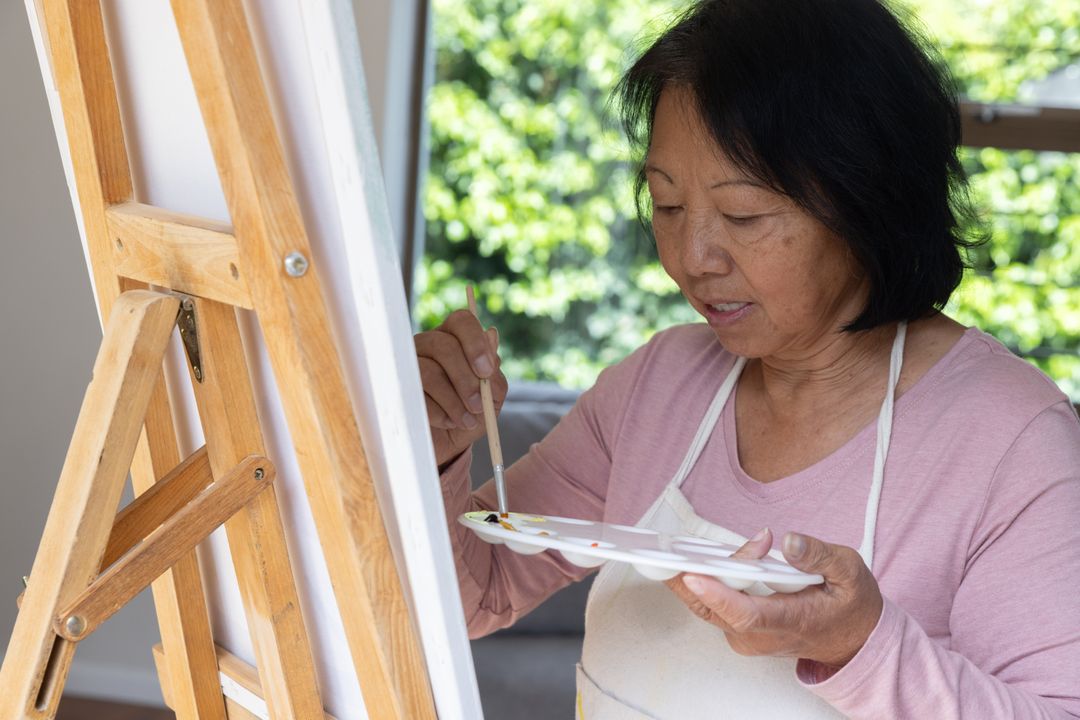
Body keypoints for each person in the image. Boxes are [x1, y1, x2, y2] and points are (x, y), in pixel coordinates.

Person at [413, 0, 1080, 716]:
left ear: (868, 200)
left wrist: (862, 644)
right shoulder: (658, 385)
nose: (692, 259)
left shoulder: (1016, 443)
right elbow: (474, 595)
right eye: (667, 206)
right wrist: (439, 454)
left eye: (743, 216)